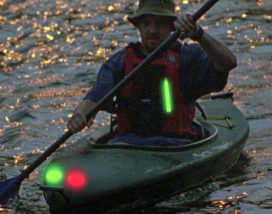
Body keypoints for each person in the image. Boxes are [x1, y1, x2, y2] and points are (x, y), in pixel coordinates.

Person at [67, 0, 237, 146]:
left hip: (177, 145)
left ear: (171, 26)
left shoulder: (188, 57)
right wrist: (79, 115)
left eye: (160, 23)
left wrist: (198, 34)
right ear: (139, 26)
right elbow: (94, 97)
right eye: (147, 23)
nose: (152, 30)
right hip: (126, 145)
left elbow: (228, 63)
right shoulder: (120, 62)